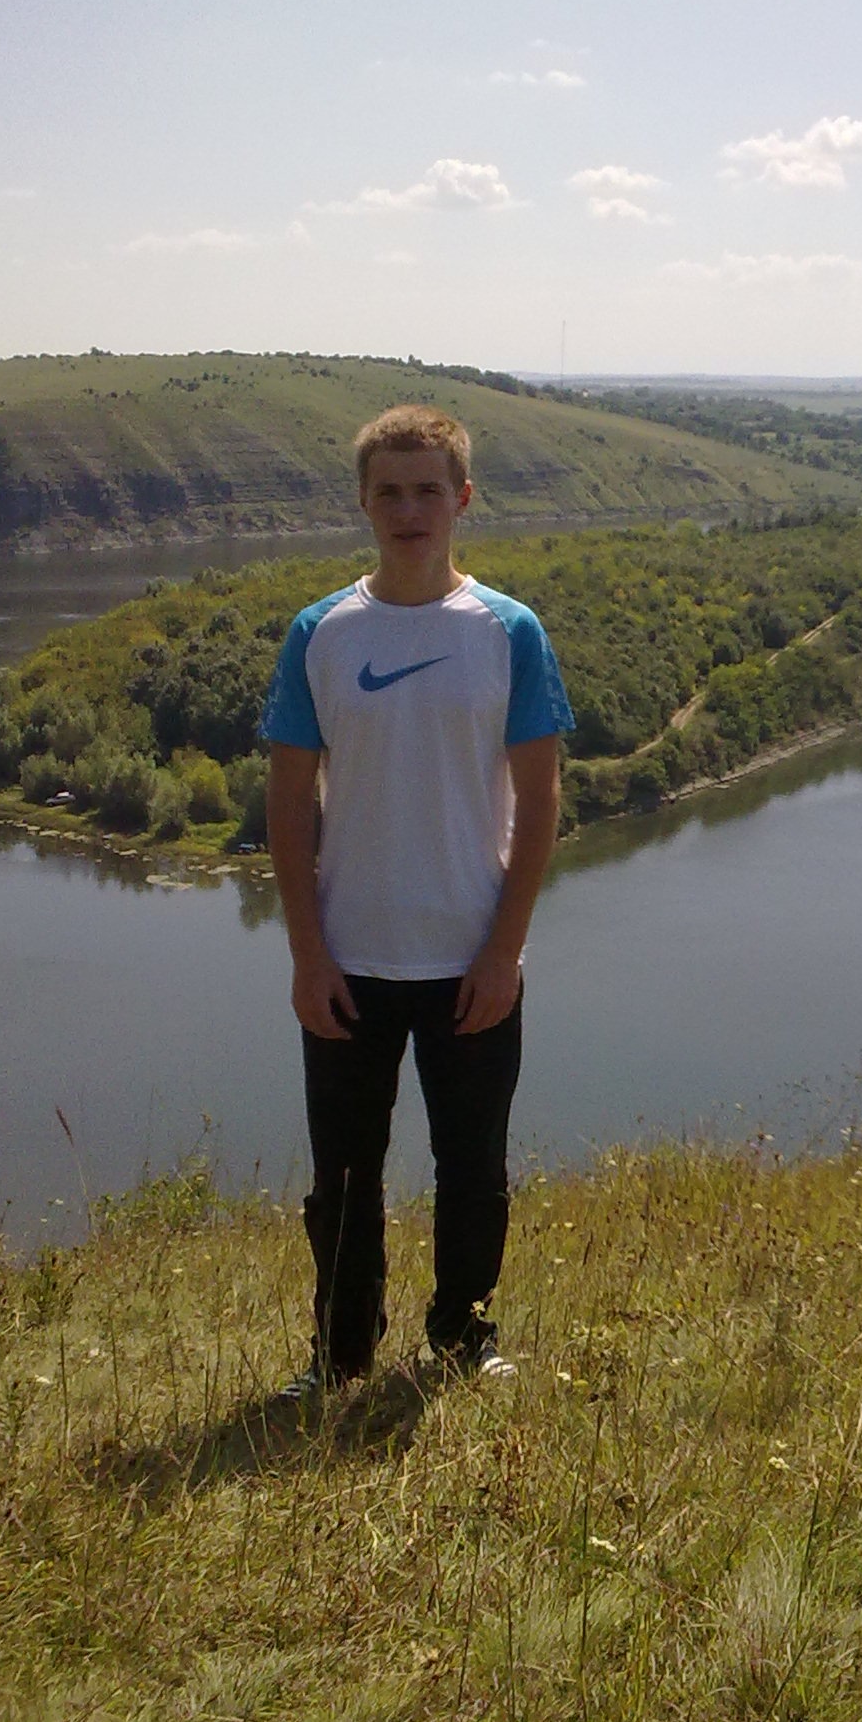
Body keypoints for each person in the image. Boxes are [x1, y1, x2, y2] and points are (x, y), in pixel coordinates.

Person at [260, 403, 574, 1392]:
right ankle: (340, 1356)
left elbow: (541, 800)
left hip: (470, 959)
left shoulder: (509, 632)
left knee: (473, 1170)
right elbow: (288, 803)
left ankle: (463, 1338)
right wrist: (307, 955)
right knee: (343, 1180)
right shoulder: (320, 632)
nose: (409, 510)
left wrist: (503, 952)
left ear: (462, 499)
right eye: (389, 492)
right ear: (363, 501)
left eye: (427, 490)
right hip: (349, 960)